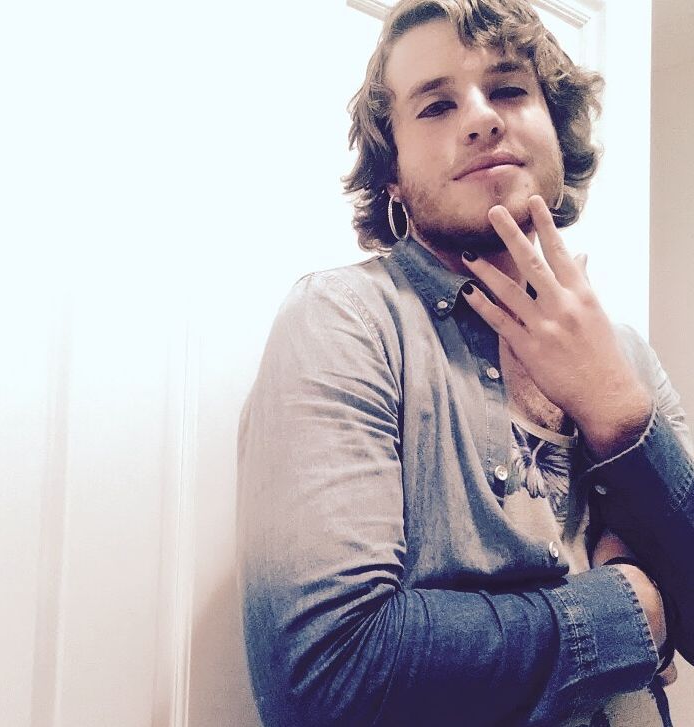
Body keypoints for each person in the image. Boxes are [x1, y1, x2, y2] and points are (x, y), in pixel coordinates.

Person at [236, 1, 694, 725]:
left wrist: (617, 411)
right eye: (435, 105)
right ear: (391, 173)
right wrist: (631, 609)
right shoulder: (344, 321)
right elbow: (326, 677)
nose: (480, 119)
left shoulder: (625, 353)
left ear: (556, 127)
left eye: (508, 89)